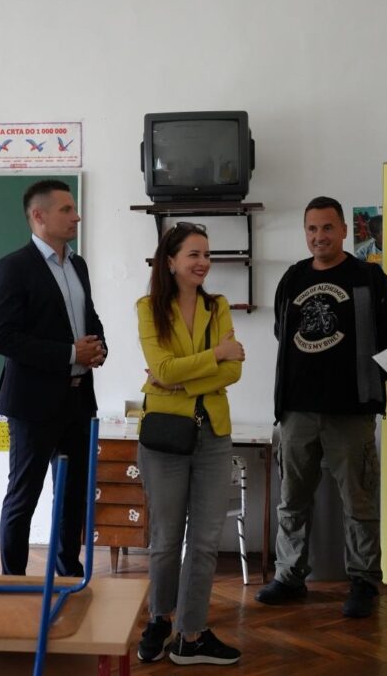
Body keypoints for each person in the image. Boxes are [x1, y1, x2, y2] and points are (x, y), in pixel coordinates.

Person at [256, 196, 387, 618]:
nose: (319, 236)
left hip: (350, 413)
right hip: (296, 411)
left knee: (359, 502)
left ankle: (363, 581)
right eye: (311, 229)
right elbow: (281, 331)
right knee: (292, 500)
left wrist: (367, 386)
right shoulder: (293, 277)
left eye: (326, 227)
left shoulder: (368, 278)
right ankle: (289, 576)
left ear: (343, 230)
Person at [135, 222, 244, 666]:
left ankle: (191, 635)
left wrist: (181, 378)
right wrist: (214, 356)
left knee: (204, 541)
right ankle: (159, 619)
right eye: (194, 254)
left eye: (207, 255)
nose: (203, 263)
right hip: (165, 436)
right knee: (165, 539)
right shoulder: (148, 308)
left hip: (213, 434)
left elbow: (234, 370)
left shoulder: (218, 307)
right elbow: (161, 366)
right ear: (171, 261)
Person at [0, 179, 106, 577]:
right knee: (24, 495)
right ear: (39, 216)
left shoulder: (78, 264)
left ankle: (68, 572)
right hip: (33, 403)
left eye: (74, 208)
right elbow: (4, 338)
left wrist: (99, 346)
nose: (76, 216)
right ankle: (13, 581)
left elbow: (88, 317)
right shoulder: (12, 267)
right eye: (66, 210)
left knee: (73, 494)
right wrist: (71, 353)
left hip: (78, 399)